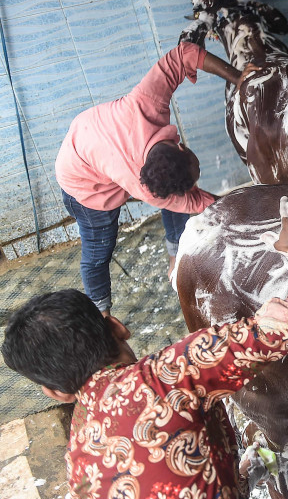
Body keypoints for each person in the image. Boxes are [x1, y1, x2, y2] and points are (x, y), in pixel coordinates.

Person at [1, 187, 288, 499]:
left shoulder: (78, 468)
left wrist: (235, 475)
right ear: (117, 326)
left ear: (56, 392)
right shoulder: (169, 376)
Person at [55, 40, 248, 315]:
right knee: (99, 251)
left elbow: (184, 54)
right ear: (180, 146)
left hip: (92, 139)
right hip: (84, 186)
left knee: (174, 204)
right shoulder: (141, 185)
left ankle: (174, 258)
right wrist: (243, 209)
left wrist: (239, 78)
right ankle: (102, 314)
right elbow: (194, 202)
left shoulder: (145, 103)